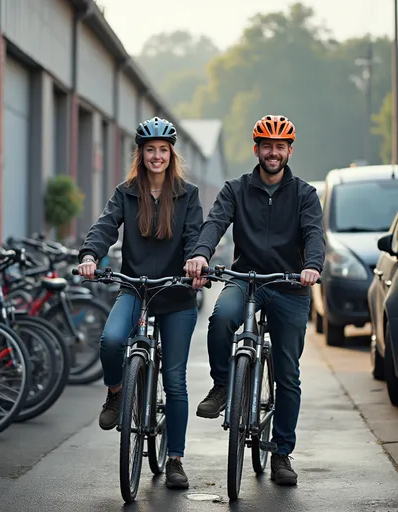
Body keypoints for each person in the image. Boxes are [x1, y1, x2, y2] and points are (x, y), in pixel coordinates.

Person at [184, 114, 325, 486]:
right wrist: (201, 253)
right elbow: (214, 223)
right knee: (221, 317)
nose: (273, 152)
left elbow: (313, 234)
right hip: (246, 279)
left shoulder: (305, 194)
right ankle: (222, 385)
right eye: (267, 146)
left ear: (289, 151)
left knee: (288, 373)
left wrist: (311, 266)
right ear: (257, 150)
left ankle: (281, 453)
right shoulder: (236, 189)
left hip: (290, 284)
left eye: (280, 146)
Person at [77, 117, 203, 490]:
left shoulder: (187, 194)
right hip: (135, 288)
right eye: (151, 150)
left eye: (163, 150)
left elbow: (196, 234)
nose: (157, 156)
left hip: (176, 293)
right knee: (112, 340)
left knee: (175, 380)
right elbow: (104, 227)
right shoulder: (126, 192)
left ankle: (175, 459)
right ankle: (116, 394)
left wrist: (197, 262)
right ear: (141, 154)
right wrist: (89, 254)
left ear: (171, 154)